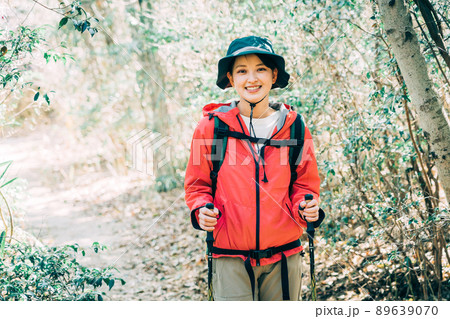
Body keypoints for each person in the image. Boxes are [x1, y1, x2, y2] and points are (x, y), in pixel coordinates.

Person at [184, 36, 322, 301]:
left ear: (273, 75)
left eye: (260, 69)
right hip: (229, 258)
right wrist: (201, 210)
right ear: (231, 78)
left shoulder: (295, 127)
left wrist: (306, 206)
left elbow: (305, 184)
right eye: (242, 71)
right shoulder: (212, 128)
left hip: (285, 257)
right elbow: (197, 186)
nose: (252, 78)